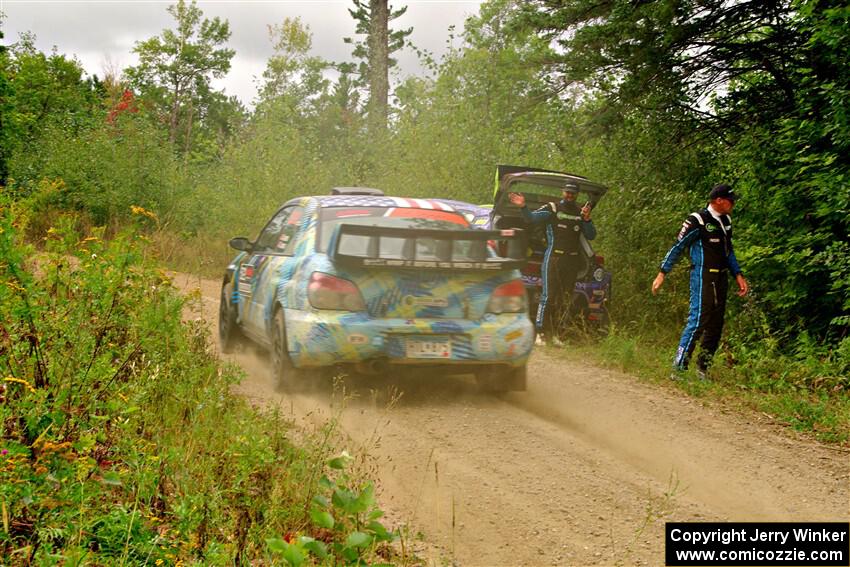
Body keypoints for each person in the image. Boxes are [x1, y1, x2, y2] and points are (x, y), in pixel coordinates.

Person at [651, 183, 749, 379]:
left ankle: (702, 369)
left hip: (721, 277)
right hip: (702, 275)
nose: (733, 203)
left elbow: (728, 251)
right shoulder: (697, 220)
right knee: (698, 320)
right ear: (718, 200)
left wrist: (738, 274)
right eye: (731, 200)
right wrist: (663, 272)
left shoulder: (726, 221)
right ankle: (678, 368)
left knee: (716, 324)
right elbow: (678, 246)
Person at [508, 183, 596, 345]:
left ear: (577, 195)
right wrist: (523, 206)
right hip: (553, 258)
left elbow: (591, 235)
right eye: (567, 192)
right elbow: (531, 218)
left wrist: (587, 219)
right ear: (563, 192)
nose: (570, 195)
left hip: (572, 261)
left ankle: (554, 333)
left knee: (564, 299)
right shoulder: (552, 208)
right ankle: (540, 334)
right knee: (548, 296)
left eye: (573, 193)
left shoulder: (580, 212)